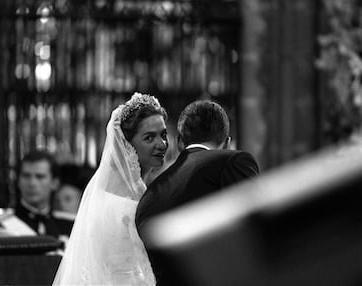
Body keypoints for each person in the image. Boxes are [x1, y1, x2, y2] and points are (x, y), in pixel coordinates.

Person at [135, 99, 260, 285]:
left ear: (179, 143)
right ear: (226, 143)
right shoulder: (234, 161)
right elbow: (256, 236)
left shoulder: (148, 197)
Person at [53, 92, 168, 285]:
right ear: (127, 146)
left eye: (163, 134)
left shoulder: (137, 190)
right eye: (149, 138)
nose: (162, 144)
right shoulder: (123, 201)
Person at [15, 150, 74, 238]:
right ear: (18, 181)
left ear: (54, 183)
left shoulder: (70, 226)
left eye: (40, 177)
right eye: (26, 176)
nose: (32, 183)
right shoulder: (2, 225)